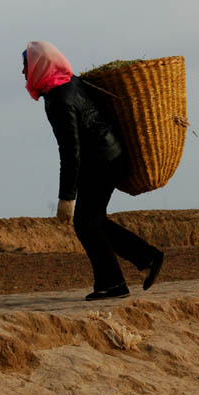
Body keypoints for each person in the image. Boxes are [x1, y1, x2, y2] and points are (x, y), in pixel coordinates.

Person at [22, 41, 164, 301]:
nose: (23, 73)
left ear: (39, 66)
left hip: (101, 162)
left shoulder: (58, 100)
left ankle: (114, 283)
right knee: (94, 222)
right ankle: (146, 258)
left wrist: (67, 197)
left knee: (86, 223)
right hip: (109, 158)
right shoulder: (69, 83)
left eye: (25, 66)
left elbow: (70, 150)